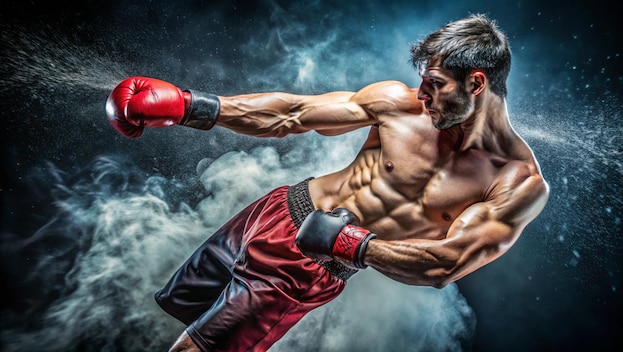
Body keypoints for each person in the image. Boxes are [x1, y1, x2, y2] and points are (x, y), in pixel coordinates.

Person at [105, 14, 549, 352]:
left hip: (303, 264)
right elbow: (292, 113)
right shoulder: (398, 104)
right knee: (181, 312)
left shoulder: (515, 181)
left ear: (476, 83)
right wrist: (193, 106)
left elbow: (445, 265)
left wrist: (353, 245)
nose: (421, 95)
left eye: (434, 85)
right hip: (274, 208)